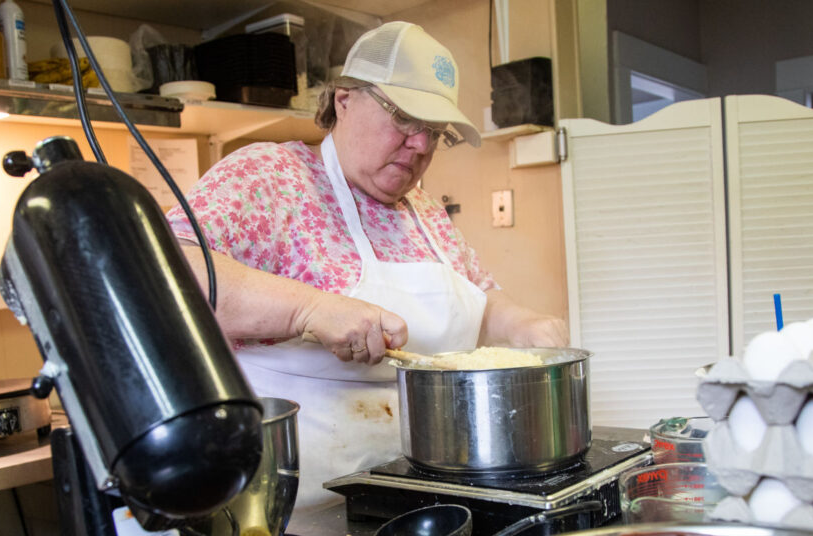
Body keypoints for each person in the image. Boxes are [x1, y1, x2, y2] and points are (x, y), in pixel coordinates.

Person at [167, 20, 568, 510]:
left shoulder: (424, 212)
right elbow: (168, 277)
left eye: (435, 133)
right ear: (344, 100)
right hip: (292, 509)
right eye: (404, 118)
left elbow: (482, 301)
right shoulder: (270, 177)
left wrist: (525, 327)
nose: (421, 145)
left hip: (416, 497)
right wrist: (309, 310)